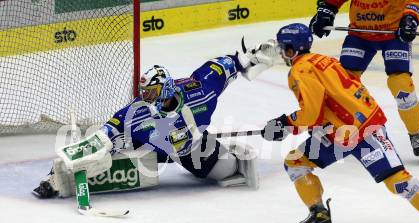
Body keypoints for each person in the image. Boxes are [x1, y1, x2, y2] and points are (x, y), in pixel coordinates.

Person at [261, 23, 419, 223]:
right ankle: (319, 218)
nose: (280, 52)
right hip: (344, 130)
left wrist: (284, 124)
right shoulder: (323, 59)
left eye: (283, 47)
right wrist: (288, 125)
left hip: (364, 131)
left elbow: (311, 114)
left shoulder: (300, 70)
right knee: (296, 162)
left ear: (291, 49)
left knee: (400, 182)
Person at [32, 45, 276, 198]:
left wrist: (254, 57)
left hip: (194, 151)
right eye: (143, 92)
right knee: (108, 154)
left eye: (149, 92)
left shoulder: (200, 89)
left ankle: (227, 158)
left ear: (165, 90)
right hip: (153, 150)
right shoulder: (136, 113)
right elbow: (105, 135)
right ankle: (55, 178)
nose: (143, 97)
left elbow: (230, 64)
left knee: (227, 170)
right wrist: (71, 158)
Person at [309, 0, 419, 161]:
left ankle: (416, 133)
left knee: (400, 83)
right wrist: (327, 10)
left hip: (394, 34)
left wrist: (410, 18)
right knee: (340, 83)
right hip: (360, 36)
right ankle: (332, 130)